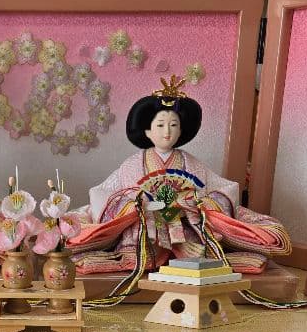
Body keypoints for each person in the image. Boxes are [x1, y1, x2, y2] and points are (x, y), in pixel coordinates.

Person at [66, 76, 291, 278]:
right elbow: (106, 194)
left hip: (185, 228)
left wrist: (191, 203)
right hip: (144, 228)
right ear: (147, 131)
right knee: (137, 245)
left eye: (174, 125)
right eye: (160, 125)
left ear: (181, 130)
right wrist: (139, 205)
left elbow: (224, 190)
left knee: (197, 251)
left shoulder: (191, 164)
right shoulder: (132, 165)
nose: (167, 131)